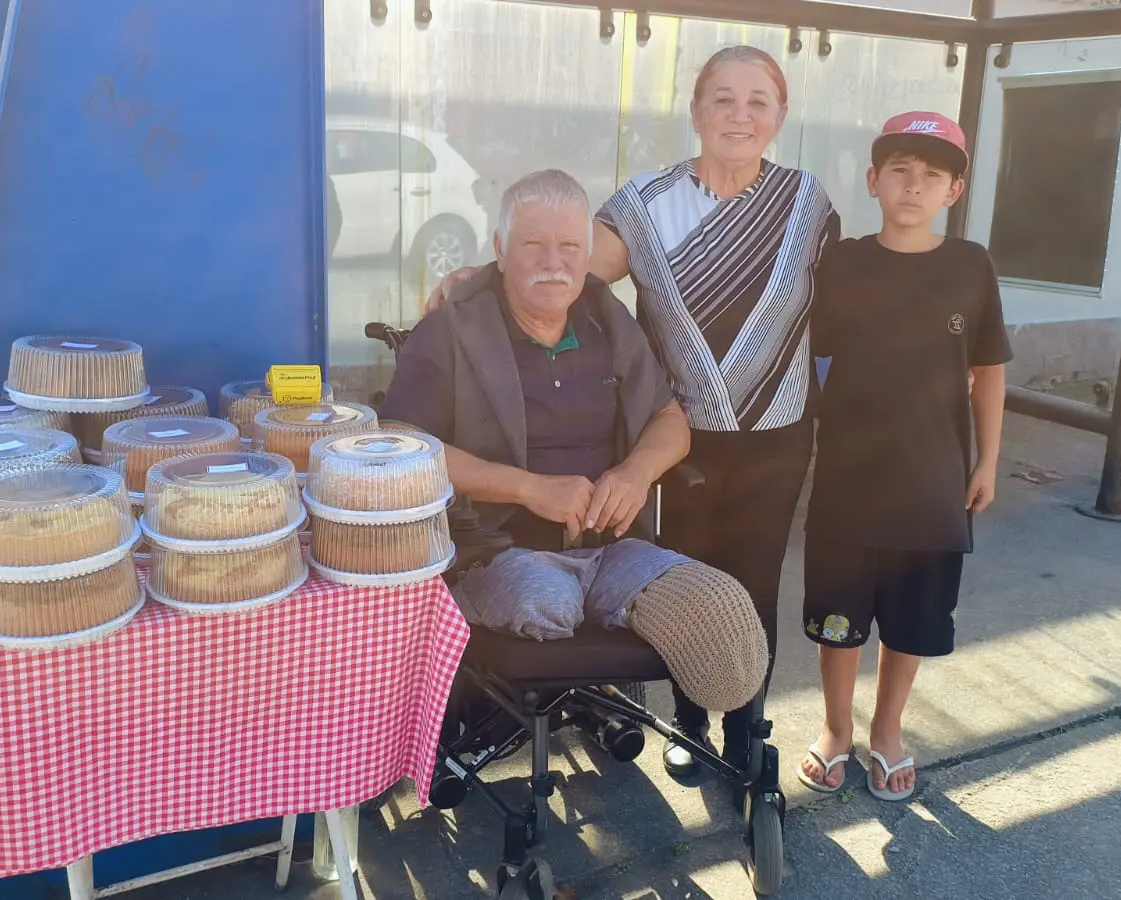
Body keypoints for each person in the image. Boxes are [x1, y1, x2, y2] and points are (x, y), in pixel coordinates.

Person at [425, 46, 840, 777]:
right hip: (678, 435)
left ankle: (747, 730)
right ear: (696, 110)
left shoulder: (809, 203)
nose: (739, 115)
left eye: (758, 101)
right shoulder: (646, 204)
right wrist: (479, 272)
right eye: (723, 98)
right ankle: (688, 725)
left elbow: (843, 308)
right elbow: (563, 262)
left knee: (756, 582)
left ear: (779, 116)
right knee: (676, 584)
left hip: (776, 430)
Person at [380, 169, 771, 717]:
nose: (552, 262)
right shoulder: (453, 328)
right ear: (499, 248)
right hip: (495, 548)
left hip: (611, 546)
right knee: (546, 599)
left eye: (569, 246)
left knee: (721, 618)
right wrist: (527, 489)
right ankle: (569, 688)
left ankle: (607, 669)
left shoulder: (606, 320)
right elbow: (400, 443)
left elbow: (670, 419)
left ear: (588, 253)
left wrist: (635, 474)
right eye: (532, 244)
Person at [797, 112, 1012, 801]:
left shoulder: (970, 266)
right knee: (839, 618)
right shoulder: (846, 262)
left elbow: (989, 368)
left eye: (932, 176)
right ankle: (836, 729)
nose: (914, 187)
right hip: (846, 484)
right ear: (873, 181)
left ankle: (887, 730)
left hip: (933, 486)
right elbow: (808, 352)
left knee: (913, 620)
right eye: (900, 172)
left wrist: (986, 462)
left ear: (953, 190)